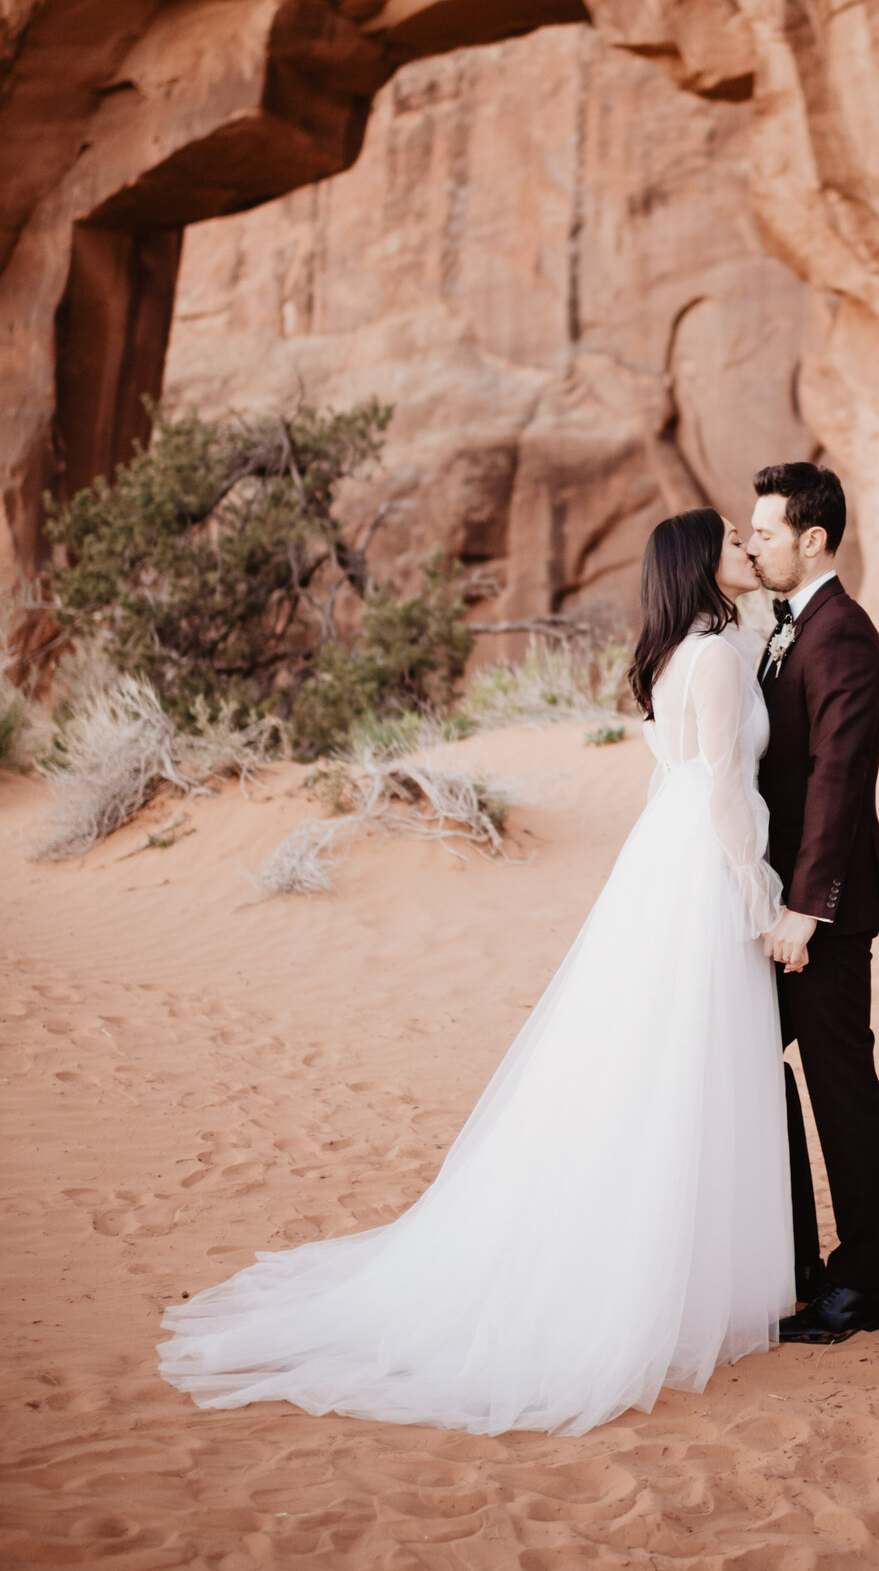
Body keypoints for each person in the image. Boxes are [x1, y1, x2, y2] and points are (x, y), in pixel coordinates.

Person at [158, 508, 794, 1437]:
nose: (747, 549)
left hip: (666, 864)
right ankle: (671, 1280)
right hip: (702, 871)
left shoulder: (674, 656)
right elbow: (725, 793)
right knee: (684, 1063)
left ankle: (675, 1266)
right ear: (702, 565)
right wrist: (759, 894)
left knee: (651, 1063)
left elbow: (675, 786)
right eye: (735, 542)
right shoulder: (720, 659)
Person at [747, 461, 879, 1347]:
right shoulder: (789, 629)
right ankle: (796, 1257)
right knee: (738, 1062)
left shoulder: (841, 634)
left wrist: (808, 908)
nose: (754, 544)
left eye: (766, 533)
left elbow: (840, 780)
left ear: (813, 539)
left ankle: (861, 1284)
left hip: (822, 916)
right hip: (779, 904)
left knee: (842, 1084)